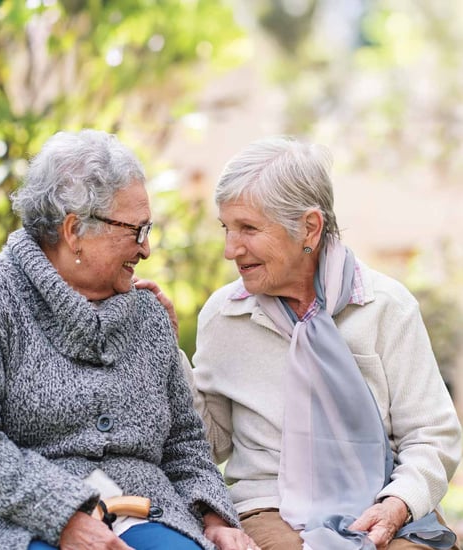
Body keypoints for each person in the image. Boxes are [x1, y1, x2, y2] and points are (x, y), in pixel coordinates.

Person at [0, 129, 260, 550]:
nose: (146, 249)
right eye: (136, 231)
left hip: (142, 510)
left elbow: (184, 443)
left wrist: (214, 518)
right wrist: (63, 517)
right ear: (75, 230)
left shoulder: (147, 315)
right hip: (3, 517)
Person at [179, 136, 462, 550]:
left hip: (382, 501)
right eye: (227, 227)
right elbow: (211, 444)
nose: (229, 250)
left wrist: (397, 504)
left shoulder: (385, 307)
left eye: (248, 229)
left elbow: (431, 434)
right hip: (269, 506)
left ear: (309, 227)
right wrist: (169, 354)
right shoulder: (225, 315)